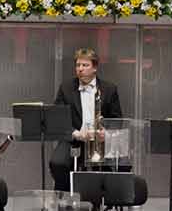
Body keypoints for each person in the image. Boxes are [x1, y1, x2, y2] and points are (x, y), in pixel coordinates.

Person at [50, 47, 124, 193]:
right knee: (57, 163)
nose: (80, 69)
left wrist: (106, 133)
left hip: (101, 141)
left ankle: (104, 200)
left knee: (120, 164)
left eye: (85, 65)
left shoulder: (110, 89)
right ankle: (66, 196)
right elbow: (57, 118)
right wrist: (76, 134)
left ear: (95, 67)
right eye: (78, 65)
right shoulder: (65, 88)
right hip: (75, 139)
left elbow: (117, 119)